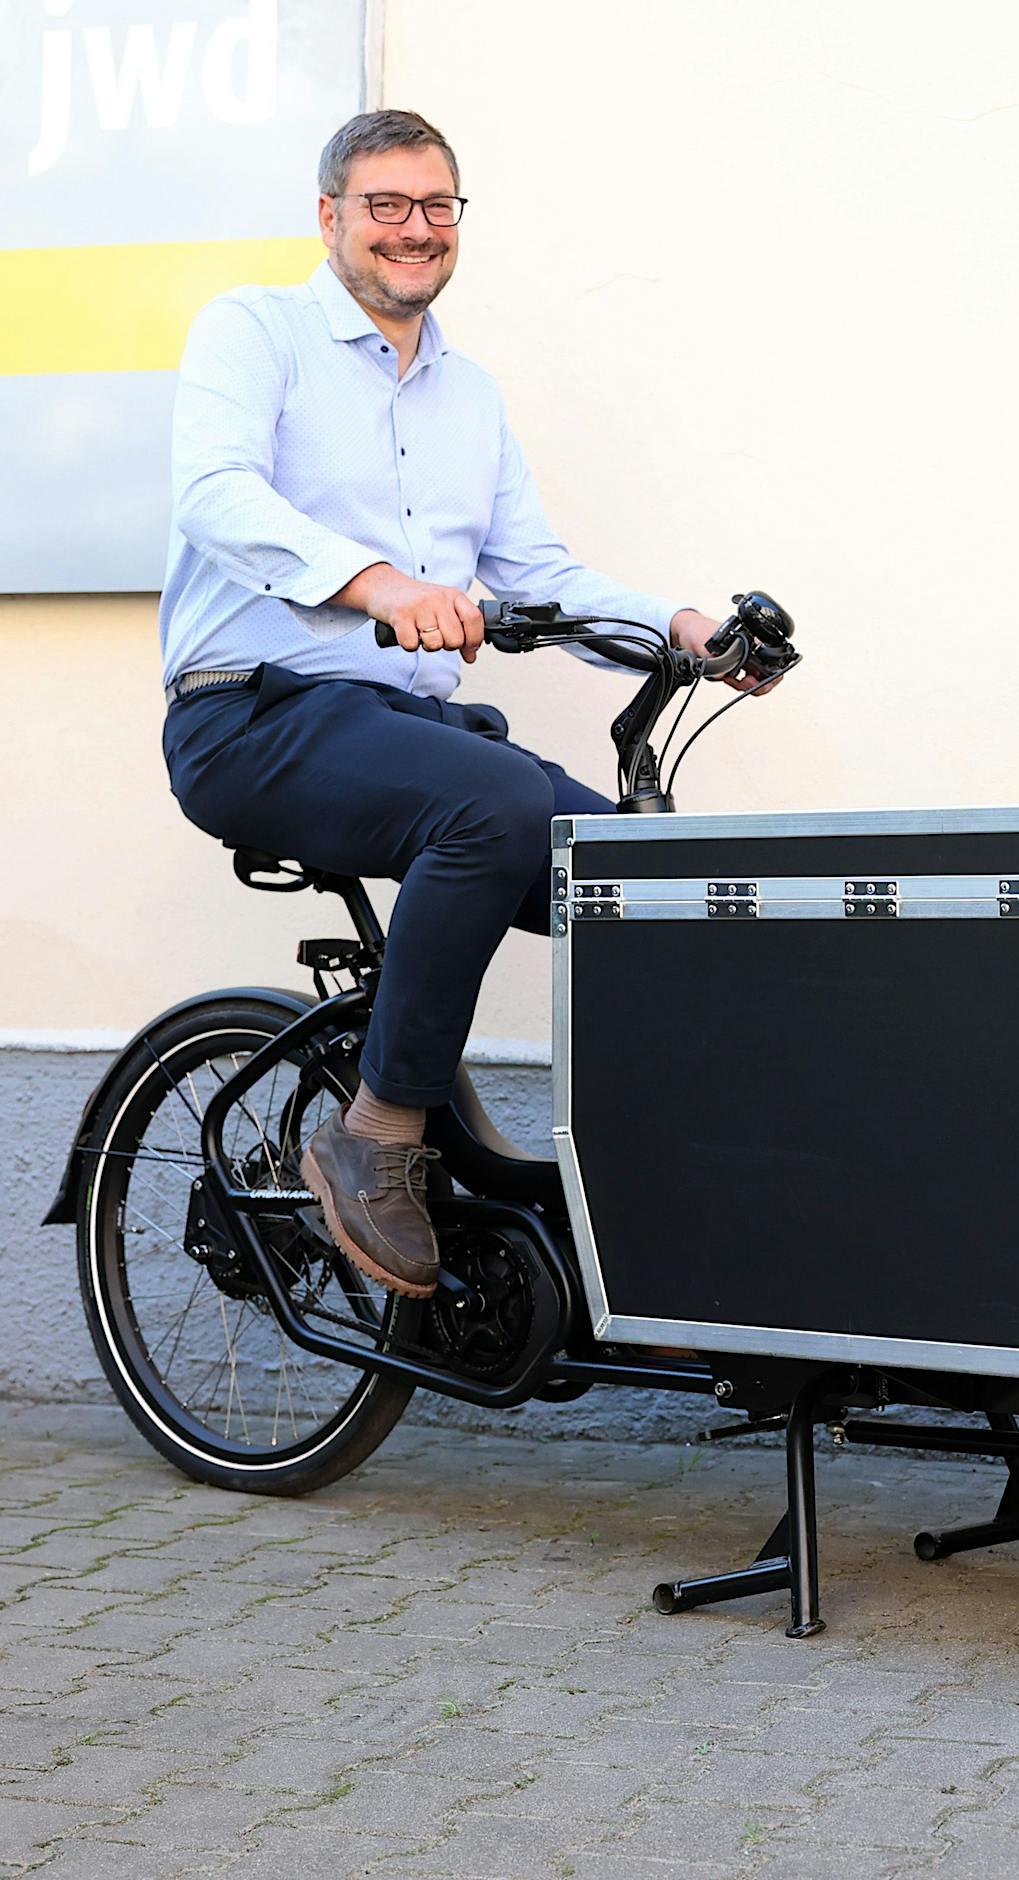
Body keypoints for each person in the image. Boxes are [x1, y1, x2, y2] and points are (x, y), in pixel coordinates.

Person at [159, 109, 764, 1304]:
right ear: (330, 217)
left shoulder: (467, 392)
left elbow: (538, 572)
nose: (415, 229)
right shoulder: (254, 332)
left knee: (656, 878)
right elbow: (216, 493)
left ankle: (668, 1208)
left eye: (437, 206)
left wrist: (687, 630)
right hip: (249, 715)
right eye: (386, 205)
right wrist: (379, 585)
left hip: (404, 732)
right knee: (489, 800)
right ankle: (375, 1134)